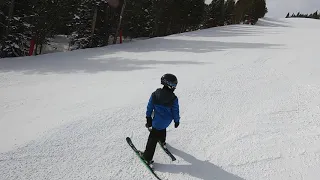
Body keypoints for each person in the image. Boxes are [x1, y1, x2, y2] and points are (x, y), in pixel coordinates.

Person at [139, 73, 180, 167]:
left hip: (157, 122)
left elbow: (149, 107)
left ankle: (147, 157)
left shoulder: (155, 94)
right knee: (162, 126)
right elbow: (175, 111)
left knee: (152, 137)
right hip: (167, 121)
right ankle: (162, 140)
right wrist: (176, 121)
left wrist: (148, 118)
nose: (175, 87)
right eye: (174, 85)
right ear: (170, 85)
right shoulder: (174, 98)